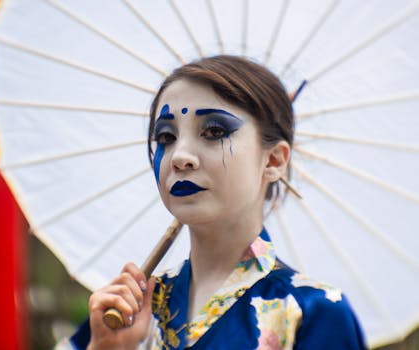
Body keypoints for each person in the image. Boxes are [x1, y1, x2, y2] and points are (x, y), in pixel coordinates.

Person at [65, 55, 366, 349]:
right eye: (166, 137)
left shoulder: (314, 313)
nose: (180, 156)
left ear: (274, 160)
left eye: (214, 131)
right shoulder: (124, 314)